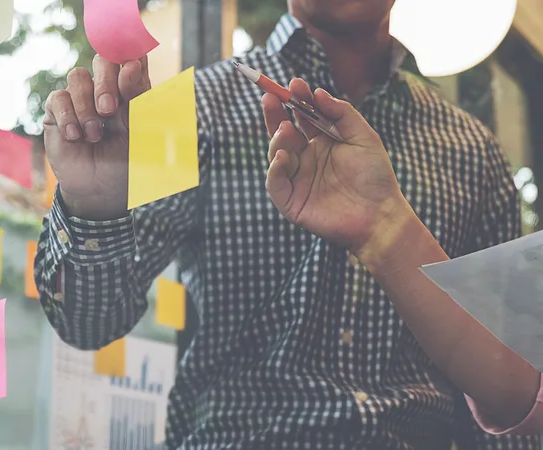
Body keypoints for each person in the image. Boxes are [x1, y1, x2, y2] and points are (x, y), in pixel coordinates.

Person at [34, 0, 542, 447]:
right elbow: (87, 322)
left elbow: (506, 391)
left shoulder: (472, 150)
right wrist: (93, 209)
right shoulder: (193, 107)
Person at [262, 84, 543, 437]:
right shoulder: (205, 105)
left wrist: (386, 227)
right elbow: (525, 390)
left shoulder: (471, 147)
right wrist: (385, 226)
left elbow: (523, 394)